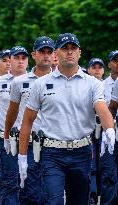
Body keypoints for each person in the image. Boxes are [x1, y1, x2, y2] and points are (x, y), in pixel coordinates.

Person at [18, 33, 115, 205]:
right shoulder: (40, 84)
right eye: (65, 48)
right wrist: (22, 156)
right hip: (52, 153)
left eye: (73, 48)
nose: (69, 52)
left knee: (78, 201)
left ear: (79, 52)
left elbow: (101, 107)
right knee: (53, 201)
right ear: (56, 53)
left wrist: (109, 129)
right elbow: (27, 120)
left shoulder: (92, 83)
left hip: (82, 151)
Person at [4, 36, 55, 205]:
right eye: (42, 52)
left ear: (54, 55)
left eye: (49, 52)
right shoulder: (19, 82)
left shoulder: (61, 80)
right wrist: (6, 136)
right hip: (29, 142)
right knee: (29, 191)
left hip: (54, 144)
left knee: (51, 191)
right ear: (34, 54)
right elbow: (12, 113)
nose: (46, 55)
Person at [0, 46, 28, 205]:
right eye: (14, 58)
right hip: (6, 139)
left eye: (23, 58)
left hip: (32, 140)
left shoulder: (36, 81)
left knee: (30, 185)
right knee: (9, 183)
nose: (17, 62)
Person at [87, 58, 105, 204]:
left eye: (100, 67)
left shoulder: (108, 85)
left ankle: (104, 194)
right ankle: (92, 196)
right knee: (92, 164)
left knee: (104, 164)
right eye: (94, 67)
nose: (97, 70)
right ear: (88, 69)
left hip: (106, 130)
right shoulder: (85, 85)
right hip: (90, 129)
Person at [102, 50, 118, 205]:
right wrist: (109, 131)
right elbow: (112, 108)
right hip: (112, 131)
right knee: (110, 173)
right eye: (115, 60)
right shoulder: (103, 84)